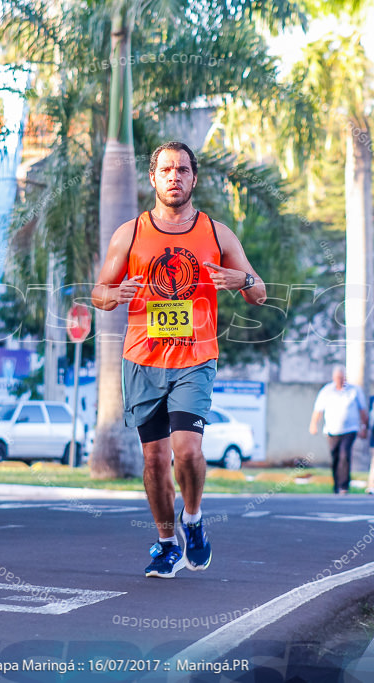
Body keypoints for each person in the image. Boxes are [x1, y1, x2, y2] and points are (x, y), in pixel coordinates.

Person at [92, 141, 266, 578]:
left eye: (183, 170)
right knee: (153, 460)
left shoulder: (216, 233)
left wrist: (240, 278)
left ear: (194, 178)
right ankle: (167, 542)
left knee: (186, 452)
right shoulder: (129, 233)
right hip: (142, 360)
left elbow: (259, 292)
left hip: (195, 358)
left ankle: (193, 519)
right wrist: (114, 295)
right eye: (166, 170)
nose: (174, 177)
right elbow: (98, 292)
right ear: (152, 178)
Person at [308, 365, 367, 495]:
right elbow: (318, 410)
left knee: (344, 454)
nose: (340, 380)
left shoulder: (354, 390)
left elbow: (362, 410)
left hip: (350, 429)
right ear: (334, 378)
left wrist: (364, 427)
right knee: (335, 456)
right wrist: (313, 424)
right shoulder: (326, 390)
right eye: (338, 377)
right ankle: (336, 484)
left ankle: (344, 486)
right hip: (331, 429)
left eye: (342, 377)